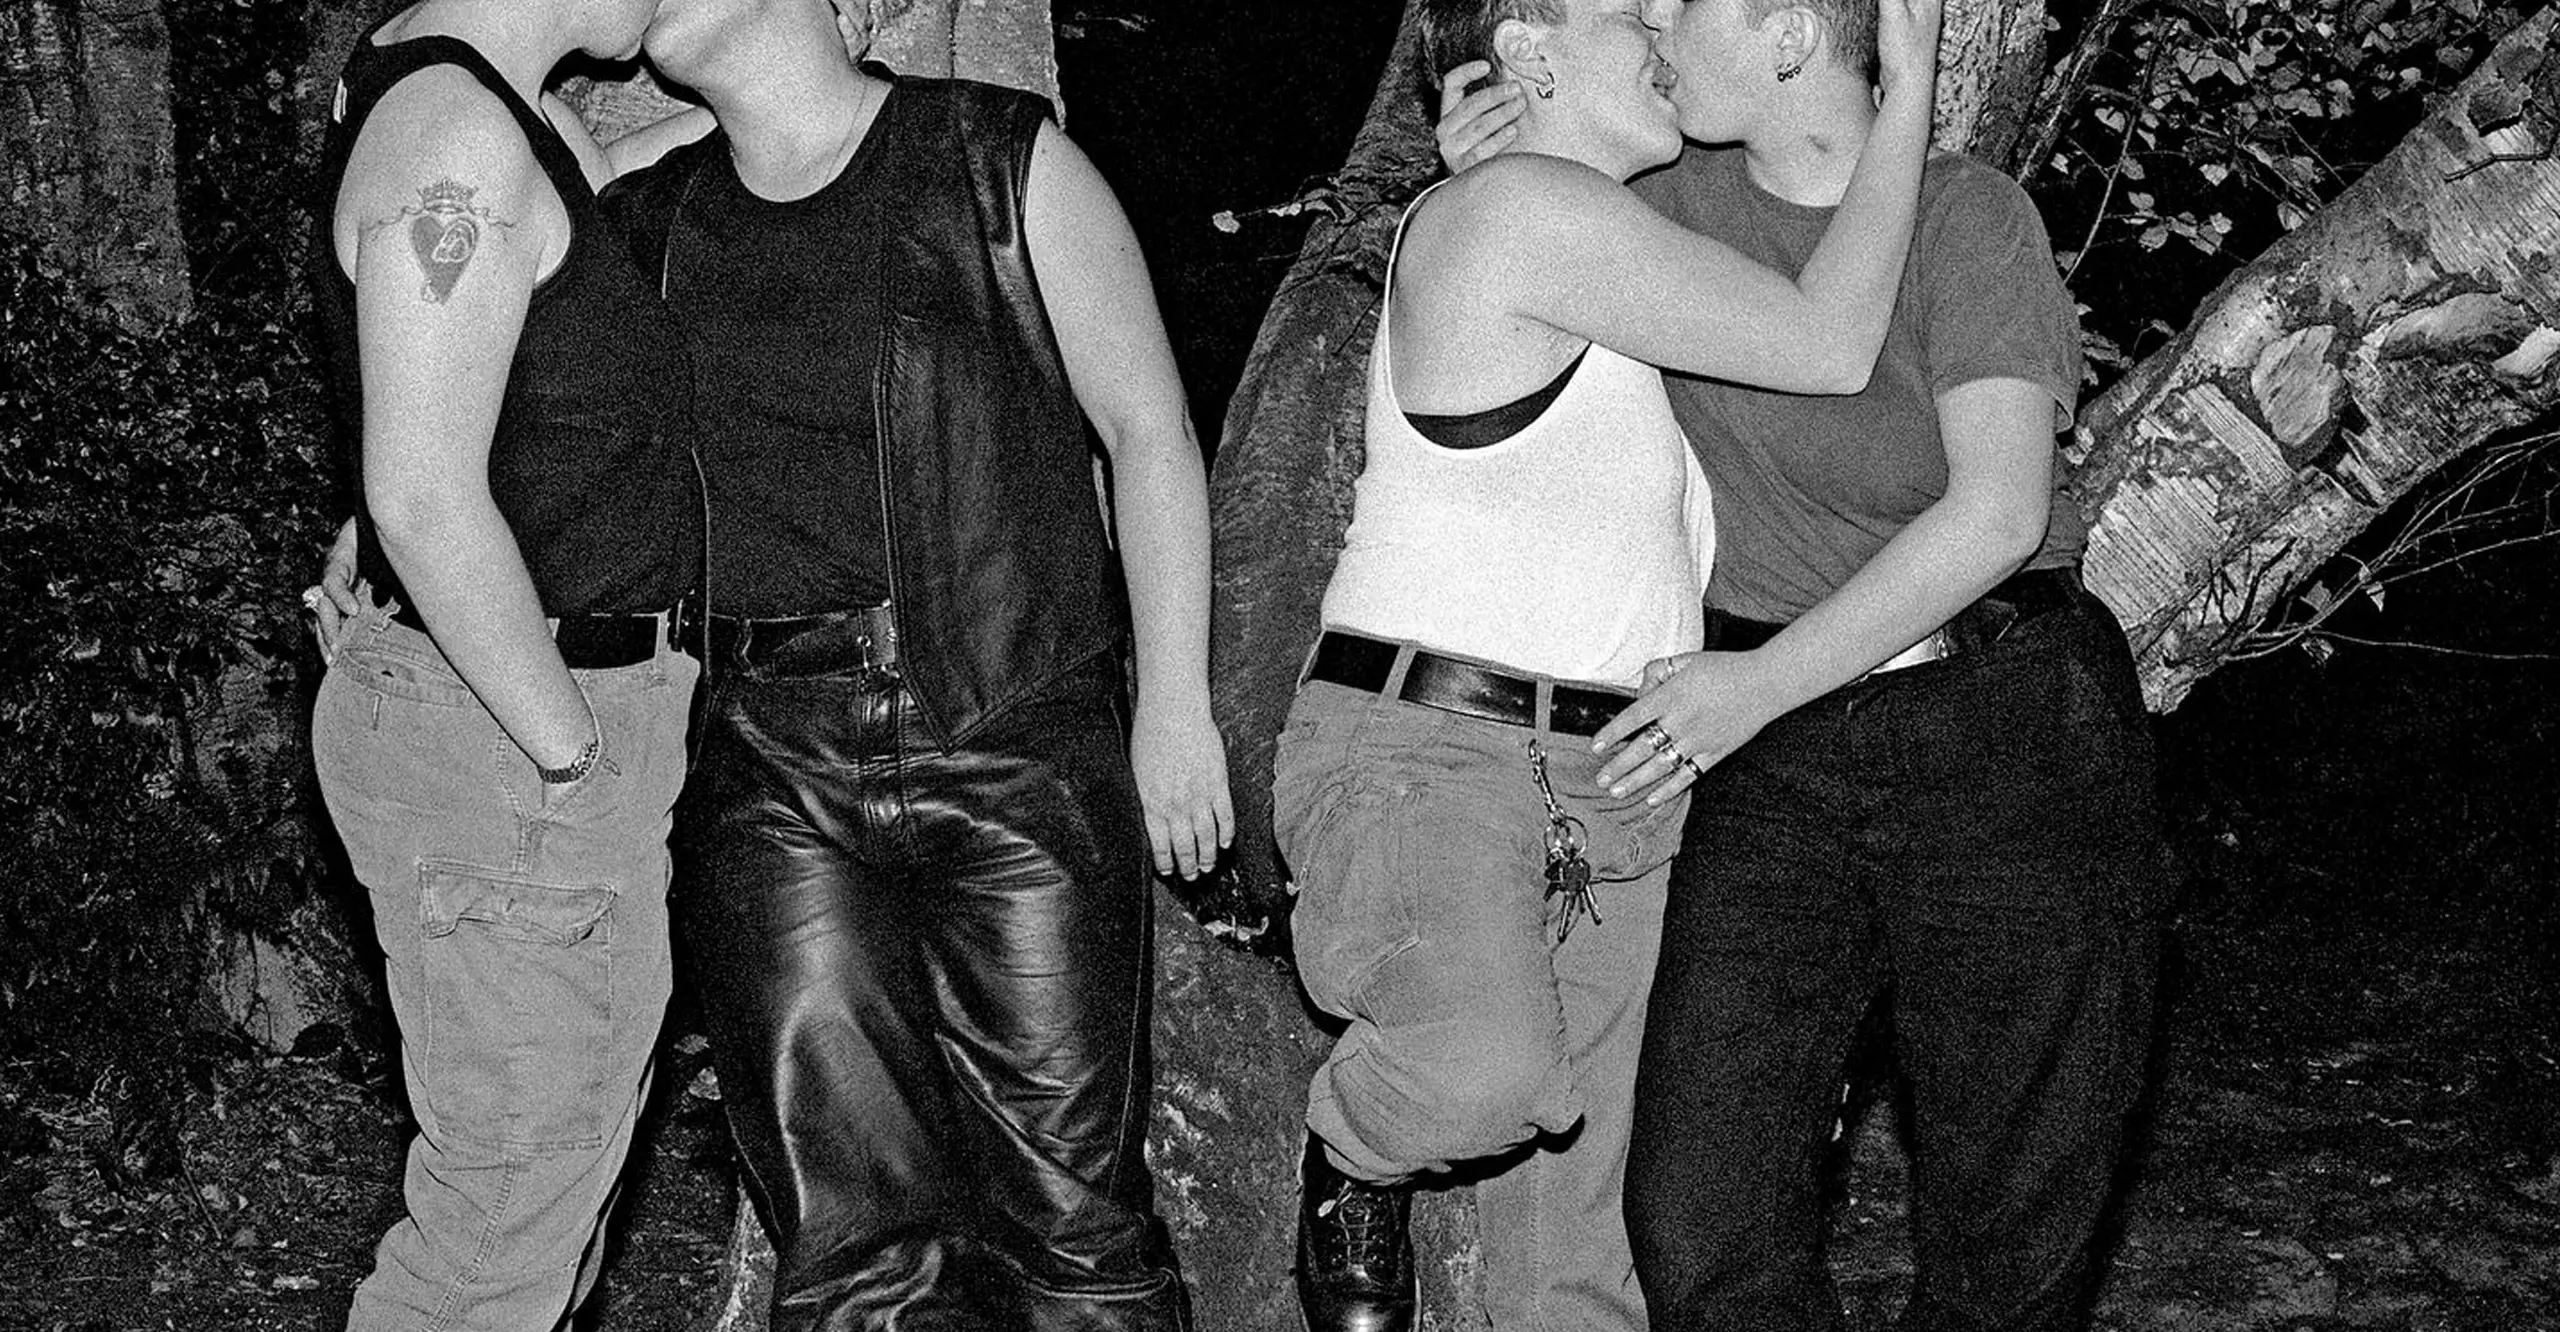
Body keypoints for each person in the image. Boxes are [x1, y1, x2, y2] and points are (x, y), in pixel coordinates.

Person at [1438, 1, 2178, 1327]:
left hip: (1995, 727)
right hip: (1769, 762)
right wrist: (1489, 154)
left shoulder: (1969, 215)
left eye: (1687, 0)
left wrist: (1762, 684)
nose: (1656, 18)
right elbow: (1508, 264)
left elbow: (1999, 513)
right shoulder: (1658, 204)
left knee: (2010, 1232)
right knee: (1697, 1215)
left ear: (1787, 37)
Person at [1277, 1, 1941, 1329]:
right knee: (1482, 1071)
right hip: (1432, 748)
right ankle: (1353, 1149)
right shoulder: (1517, 209)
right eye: (1631, 7)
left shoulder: (1627, 253)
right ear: (1529, 52)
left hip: (1625, 777)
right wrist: (1911, 85)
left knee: (1589, 1249)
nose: (1667, 25)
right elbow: (1827, 343)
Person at [596, 0, 1230, 1326]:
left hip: (1013, 736)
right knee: (855, 1261)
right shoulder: (648, 217)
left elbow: (1149, 430)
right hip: (770, 769)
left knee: (1078, 1238)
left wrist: (1176, 705)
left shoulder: (999, 160)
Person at [302, 0, 704, 1326]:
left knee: (544, 1206)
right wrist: (568, 747)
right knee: (498, 1231)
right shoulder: (457, 136)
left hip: (522, 727)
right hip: (517, 742)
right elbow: (420, 496)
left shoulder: (503, 115)